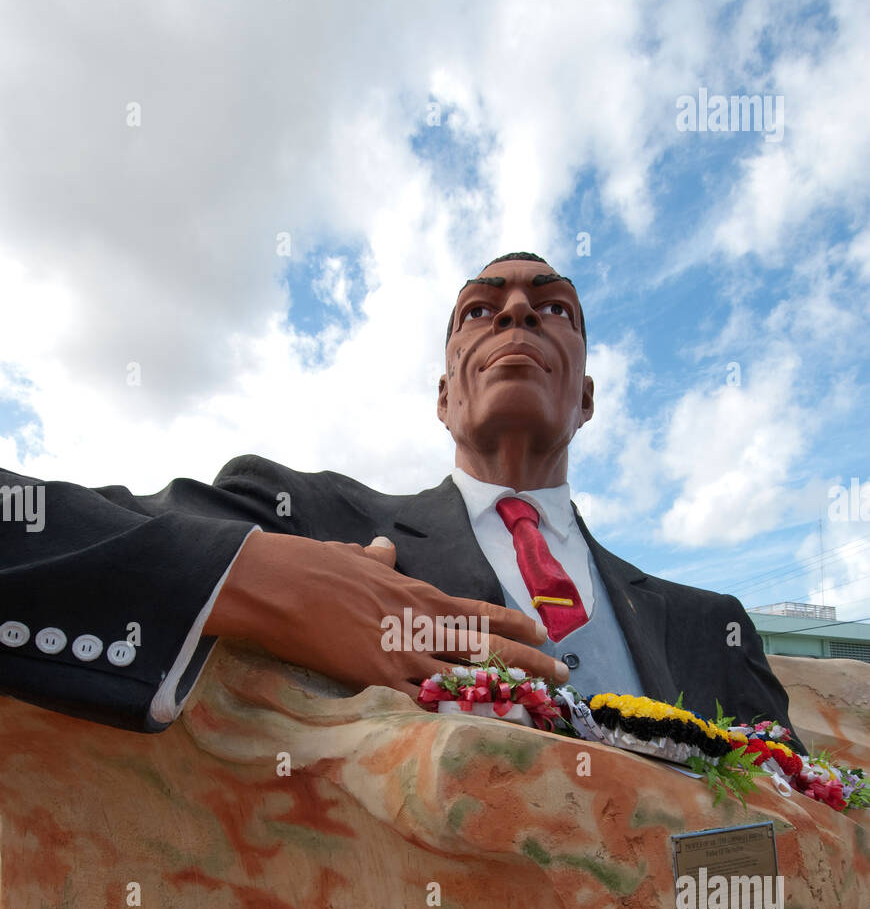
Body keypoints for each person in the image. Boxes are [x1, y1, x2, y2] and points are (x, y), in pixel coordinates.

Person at [0, 252, 801, 745]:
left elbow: (814, 859)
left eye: (553, 307)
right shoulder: (299, 519)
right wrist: (261, 579)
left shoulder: (713, 628)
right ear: (445, 398)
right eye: (479, 312)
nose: (517, 311)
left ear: (585, 397)